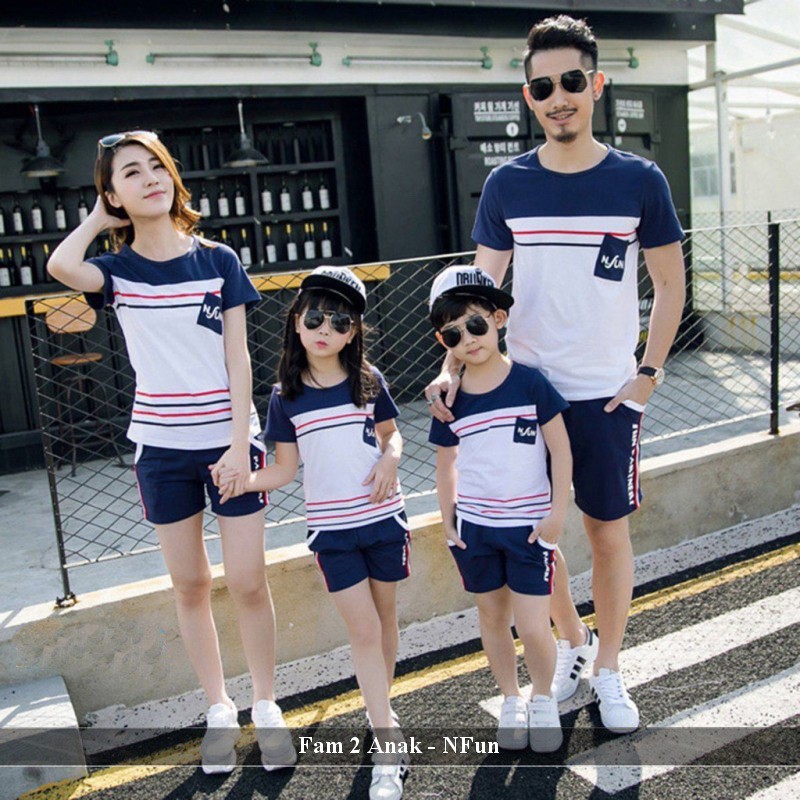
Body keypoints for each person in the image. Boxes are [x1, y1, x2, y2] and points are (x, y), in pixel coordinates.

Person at [426, 15, 686, 734]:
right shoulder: (507, 184)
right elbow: (476, 293)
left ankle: (610, 669)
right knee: (535, 534)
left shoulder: (639, 179)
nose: (558, 97)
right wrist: (451, 369)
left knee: (606, 533)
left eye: (572, 81)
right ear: (528, 96)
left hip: (607, 396)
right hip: (521, 395)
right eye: (543, 87)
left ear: (596, 85)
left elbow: (671, 285)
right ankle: (574, 643)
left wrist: (648, 375)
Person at [47, 130, 296, 774]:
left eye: (156, 166)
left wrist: (240, 445)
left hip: (228, 445)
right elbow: (61, 267)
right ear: (113, 195)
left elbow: (239, 359)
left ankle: (266, 704)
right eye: (131, 173)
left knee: (248, 580)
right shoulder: (115, 272)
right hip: (160, 449)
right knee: (190, 584)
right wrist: (96, 220)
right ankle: (218, 709)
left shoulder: (218, 260)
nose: (151, 178)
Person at [215, 265, 410, 800]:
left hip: (384, 521)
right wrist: (242, 480)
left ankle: (380, 710)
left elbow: (392, 437)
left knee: (384, 622)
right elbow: (283, 470)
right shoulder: (287, 396)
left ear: (353, 332)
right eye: (316, 317)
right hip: (333, 533)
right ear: (297, 321)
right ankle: (387, 741)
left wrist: (391, 459)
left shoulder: (369, 380)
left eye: (340, 321)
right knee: (364, 630)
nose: (326, 328)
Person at [428, 266, 572, 752]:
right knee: (492, 620)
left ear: (498, 319)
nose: (468, 338)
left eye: (475, 324)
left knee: (533, 625)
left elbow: (562, 450)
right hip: (476, 530)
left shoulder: (530, 384)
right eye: (453, 333)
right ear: (444, 342)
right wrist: (448, 521)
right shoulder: (450, 400)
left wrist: (557, 512)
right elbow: (445, 463)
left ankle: (543, 698)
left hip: (529, 529)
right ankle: (511, 698)